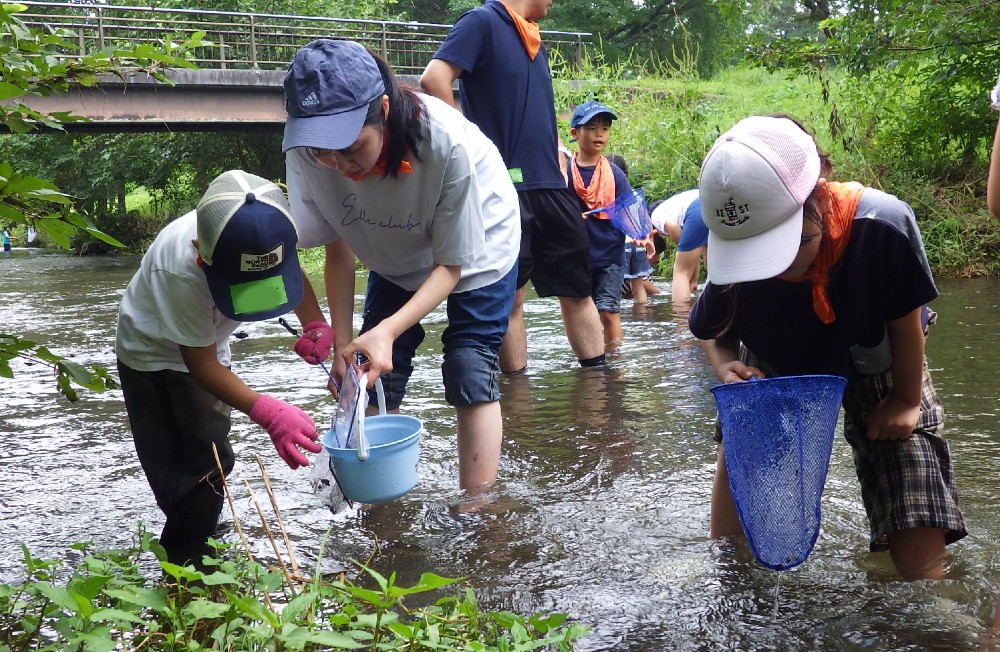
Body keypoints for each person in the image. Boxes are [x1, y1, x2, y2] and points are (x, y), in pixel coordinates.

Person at [688, 115, 967, 580]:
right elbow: (716, 334)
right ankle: (730, 573)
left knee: (906, 452)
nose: (774, 269)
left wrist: (904, 399)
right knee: (746, 441)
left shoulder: (882, 224)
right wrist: (726, 366)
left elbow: (906, 324)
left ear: (817, 197)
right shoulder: (732, 248)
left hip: (877, 354)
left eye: (786, 245)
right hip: (772, 355)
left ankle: (931, 604)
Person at [281, 40, 520, 491]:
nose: (337, 164)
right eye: (322, 152)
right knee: (365, 374)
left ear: (384, 110)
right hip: (391, 247)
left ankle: (477, 508)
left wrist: (389, 329)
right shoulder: (303, 147)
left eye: (350, 148)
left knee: (469, 365)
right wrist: (343, 343)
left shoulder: (444, 143)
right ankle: (370, 502)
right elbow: (336, 247)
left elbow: (450, 266)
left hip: (480, 242)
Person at [115, 170, 323, 568]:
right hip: (159, 358)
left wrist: (315, 322)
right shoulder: (180, 269)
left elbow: (291, 271)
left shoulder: (265, 234)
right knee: (197, 471)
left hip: (208, 343)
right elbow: (200, 364)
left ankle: (202, 542)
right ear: (200, 252)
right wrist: (270, 412)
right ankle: (184, 568)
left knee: (212, 454)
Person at [419, 0, 606, 372]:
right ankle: (517, 403)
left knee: (579, 290)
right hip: (503, 187)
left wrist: (556, 153)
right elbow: (433, 78)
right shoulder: (482, 22)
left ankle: (599, 388)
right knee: (511, 297)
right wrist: (467, 146)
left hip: (551, 186)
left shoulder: (533, 38)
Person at [566, 101, 633, 348]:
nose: (599, 134)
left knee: (608, 312)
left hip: (609, 254)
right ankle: (593, 358)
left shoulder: (614, 173)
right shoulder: (564, 173)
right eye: (592, 128)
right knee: (583, 312)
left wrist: (641, 235)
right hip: (576, 255)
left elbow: (629, 208)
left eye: (604, 129)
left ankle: (614, 362)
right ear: (575, 133)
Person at [650, 189, 707, 304]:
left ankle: (682, 319)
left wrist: (680, 244)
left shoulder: (655, 215)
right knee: (713, 267)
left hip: (698, 207)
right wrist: (694, 280)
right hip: (718, 203)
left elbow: (673, 227)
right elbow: (694, 254)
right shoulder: (676, 204)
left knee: (681, 272)